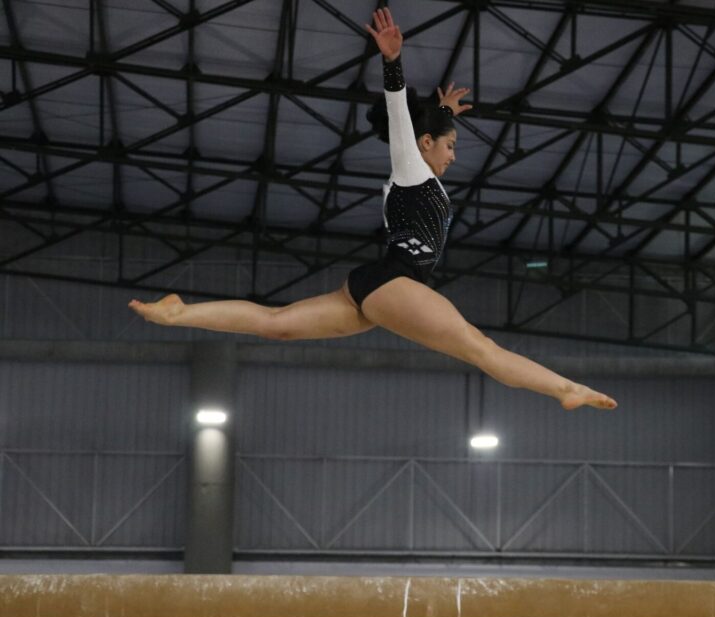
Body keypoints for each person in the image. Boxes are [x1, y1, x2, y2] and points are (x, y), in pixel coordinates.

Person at [129, 7, 616, 411]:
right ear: (425, 144)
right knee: (481, 349)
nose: (453, 155)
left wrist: (444, 114)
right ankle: (565, 389)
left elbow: (418, 133)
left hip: (370, 286)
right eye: (449, 146)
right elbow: (403, 120)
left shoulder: (413, 173)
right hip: (396, 283)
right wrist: (392, 63)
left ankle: (180, 313)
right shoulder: (412, 168)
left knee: (277, 325)